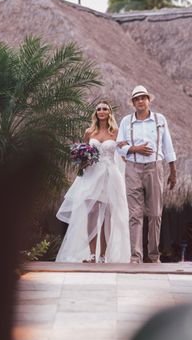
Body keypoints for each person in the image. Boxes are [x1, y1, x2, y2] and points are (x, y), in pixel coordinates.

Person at [56, 102, 131, 263]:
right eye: (98, 109)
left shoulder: (116, 132)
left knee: (107, 216)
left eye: (104, 108)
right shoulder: (89, 132)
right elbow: (83, 154)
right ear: (95, 113)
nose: (101, 111)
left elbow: (121, 153)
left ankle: (103, 256)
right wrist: (81, 159)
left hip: (110, 176)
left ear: (109, 112)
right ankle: (91, 255)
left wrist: (123, 148)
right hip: (92, 176)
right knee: (91, 214)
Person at [116, 85, 176, 263]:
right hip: (133, 168)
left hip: (155, 168)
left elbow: (168, 145)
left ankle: (154, 255)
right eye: (137, 99)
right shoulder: (126, 121)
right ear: (133, 103)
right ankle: (135, 257)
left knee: (155, 213)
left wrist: (173, 171)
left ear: (148, 100)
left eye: (143, 98)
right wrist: (134, 148)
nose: (140, 101)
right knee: (135, 214)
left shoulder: (159, 119)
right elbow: (119, 146)